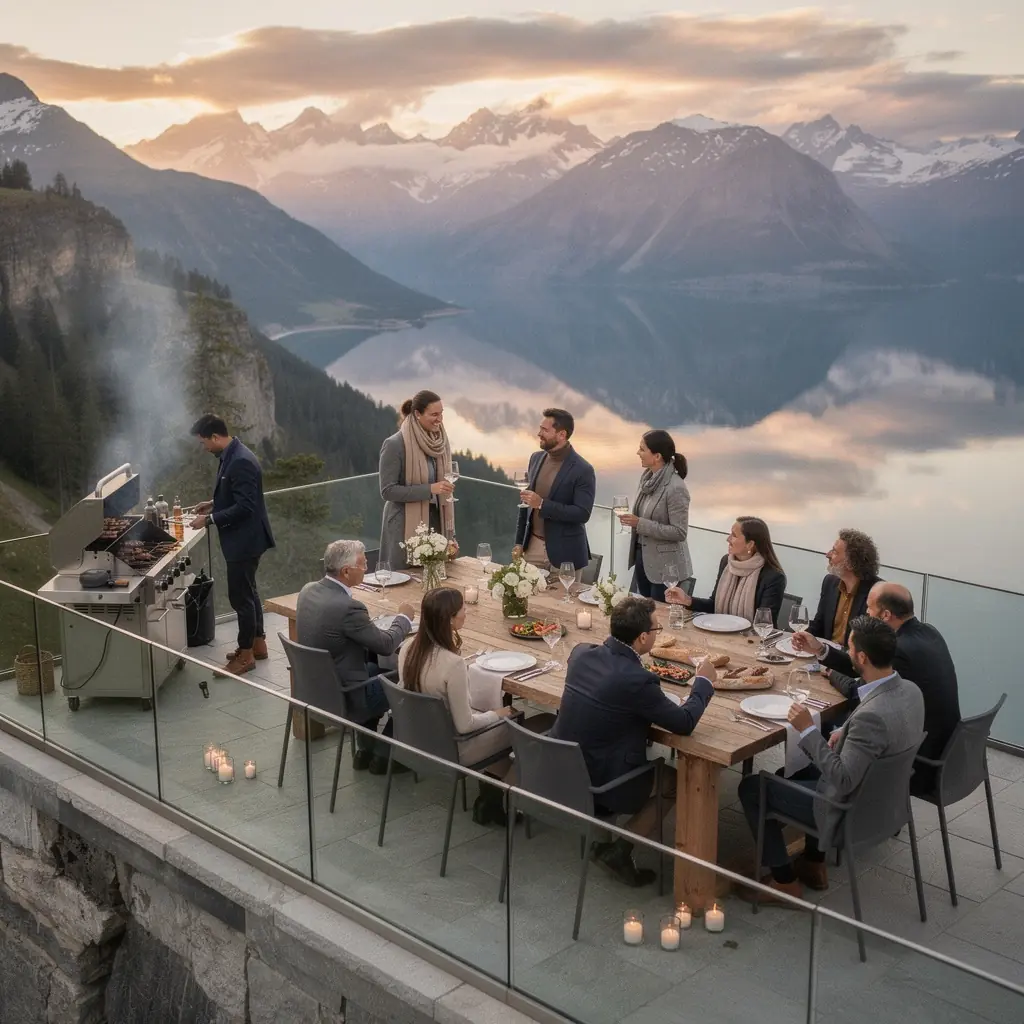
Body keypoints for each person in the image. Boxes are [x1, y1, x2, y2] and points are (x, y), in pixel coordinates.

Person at [737, 616, 924, 901]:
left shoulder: (871, 717)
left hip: (850, 811)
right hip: (886, 802)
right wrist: (843, 734)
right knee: (793, 774)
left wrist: (808, 730)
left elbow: (843, 778)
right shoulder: (911, 690)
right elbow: (883, 742)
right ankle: (813, 863)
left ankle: (784, 882)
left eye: (849, 648)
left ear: (862, 657)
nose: (847, 653)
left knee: (752, 788)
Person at [550, 596, 716, 886]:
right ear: (642, 638)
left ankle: (603, 840)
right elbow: (684, 723)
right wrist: (703, 683)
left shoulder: (580, 653)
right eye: (656, 630)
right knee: (675, 781)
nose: (657, 634)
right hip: (604, 783)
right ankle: (621, 849)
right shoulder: (637, 680)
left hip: (564, 769)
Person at [792, 582, 960, 795]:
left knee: (831, 724)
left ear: (886, 615)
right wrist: (822, 650)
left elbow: (857, 691)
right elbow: (862, 664)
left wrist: (831, 673)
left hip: (918, 763)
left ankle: (815, 788)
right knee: (839, 729)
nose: (866, 612)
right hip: (942, 748)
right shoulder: (928, 632)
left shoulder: (899, 650)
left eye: (869, 608)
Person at [296, 540, 416, 774]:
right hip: (348, 697)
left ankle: (365, 749)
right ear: (346, 571)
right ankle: (385, 754)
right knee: (413, 682)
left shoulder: (307, 591)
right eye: (363, 563)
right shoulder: (349, 608)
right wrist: (404, 618)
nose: (367, 566)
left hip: (316, 691)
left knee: (371, 666)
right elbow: (386, 645)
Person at [398, 587, 515, 825]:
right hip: (451, 748)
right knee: (516, 725)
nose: (466, 613)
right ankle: (491, 799)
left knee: (490, 711)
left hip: (418, 738)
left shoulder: (407, 647)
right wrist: (498, 713)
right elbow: (465, 725)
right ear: (450, 618)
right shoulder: (452, 664)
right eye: (463, 609)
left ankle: (490, 796)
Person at [189, 414, 275, 676]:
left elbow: (246, 507)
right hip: (245, 539)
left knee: (241, 598)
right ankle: (258, 644)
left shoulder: (239, 462)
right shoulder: (231, 455)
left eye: (204, 442)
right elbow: (237, 496)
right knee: (249, 592)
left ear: (216, 437)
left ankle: (245, 655)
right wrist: (213, 504)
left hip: (245, 541)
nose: (204, 447)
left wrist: (209, 519)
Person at [513, 408, 596, 577]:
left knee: (565, 603)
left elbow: (582, 514)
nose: (539, 433)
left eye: (545, 430)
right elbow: (525, 504)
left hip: (566, 554)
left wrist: (543, 504)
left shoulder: (583, 469)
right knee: (529, 600)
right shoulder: (535, 458)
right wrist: (519, 542)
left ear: (562, 434)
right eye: (540, 428)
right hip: (533, 547)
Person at [379, 390, 455, 569]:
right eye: (434, 414)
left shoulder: (439, 442)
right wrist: (430, 489)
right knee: (403, 581)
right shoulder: (394, 444)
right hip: (403, 525)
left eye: (441, 414)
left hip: (435, 523)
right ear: (417, 414)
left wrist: (450, 535)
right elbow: (387, 491)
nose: (440, 419)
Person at [665, 516, 787, 626]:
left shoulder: (773, 576)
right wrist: (687, 600)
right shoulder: (726, 562)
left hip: (752, 641)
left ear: (750, 544)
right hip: (721, 633)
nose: (728, 539)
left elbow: (764, 624)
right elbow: (714, 605)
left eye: (733, 535)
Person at [617, 429, 692, 602]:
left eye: (642, 449)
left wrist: (640, 523)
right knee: (644, 615)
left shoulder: (676, 487)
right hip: (643, 559)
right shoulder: (647, 480)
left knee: (661, 619)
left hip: (666, 568)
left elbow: (679, 532)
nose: (638, 453)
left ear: (657, 456)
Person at [807, 529, 883, 646]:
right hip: (825, 656)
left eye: (835, 552)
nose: (828, 555)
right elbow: (819, 624)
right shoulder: (830, 582)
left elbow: (870, 646)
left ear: (851, 562)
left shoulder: (878, 592)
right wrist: (801, 635)